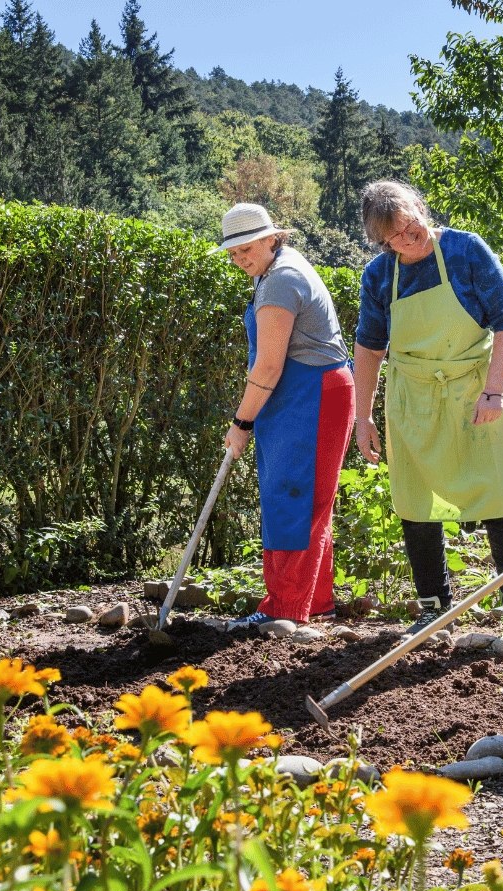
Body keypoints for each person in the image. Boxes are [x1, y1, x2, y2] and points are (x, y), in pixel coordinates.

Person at [353, 180, 503, 638]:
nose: (406, 240)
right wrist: (363, 417)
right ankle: (434, 608)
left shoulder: (465, 249)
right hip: (412, 398)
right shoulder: (379, 276)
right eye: (393, 237)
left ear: (420, 208)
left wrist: (494, 390)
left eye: (410, 226)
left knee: (500, 497)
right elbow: (369, 347)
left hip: (476, 390)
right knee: (415, 502)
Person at [212, 203, 355, 631]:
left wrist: (240, 423)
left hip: (312, 394)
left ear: (273, 237)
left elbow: (269, 367)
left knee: (295, 497)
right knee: (301, 496)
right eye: (233, 252)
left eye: (246, 247)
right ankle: (317, 601)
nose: (239, 258)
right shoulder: (272, 272)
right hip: (298, 396)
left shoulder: (281, 281)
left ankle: (285, 608)